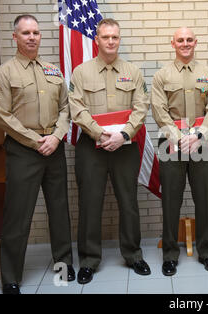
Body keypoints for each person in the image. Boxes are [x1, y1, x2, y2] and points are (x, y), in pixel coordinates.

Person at [0, 15, 75, 294]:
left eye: (36, 32)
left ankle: (64, 264)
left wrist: (56, 136)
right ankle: (11, 277)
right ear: (15, 37)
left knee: (59, 211)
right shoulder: (3, 73)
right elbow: (1, 116)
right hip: (23, 151)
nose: (32, 37)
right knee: (18, 214)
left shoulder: (54, 71)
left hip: (54, 147)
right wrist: (35, 140)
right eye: (25, 33)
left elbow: (66, 108)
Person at [69, 18, 151, 284]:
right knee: (90, 204)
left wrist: (124, 135)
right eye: (106, 37)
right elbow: (76, 108)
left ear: (119, 39)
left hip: (125, 147)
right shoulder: (81, 72)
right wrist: (100, 134)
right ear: (97, 40)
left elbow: (141, 107)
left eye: (115, 37)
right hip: (91, 148)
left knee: (129, 202)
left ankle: (133, 255)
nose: (111, 41)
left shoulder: (133, 71)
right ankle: (89, 261)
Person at [151, 27, 208, 276]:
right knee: (171, 200)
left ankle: (207, 252)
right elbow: (158, 110)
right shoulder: (162, 75)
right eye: (180, 40)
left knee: (204, 199)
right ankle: (169, 254)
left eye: (189, 40)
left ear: (196, 42)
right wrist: (180, 138)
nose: (185, 43)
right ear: (173, 43)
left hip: (202, 142)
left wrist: (199, 135)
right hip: (171, 143)